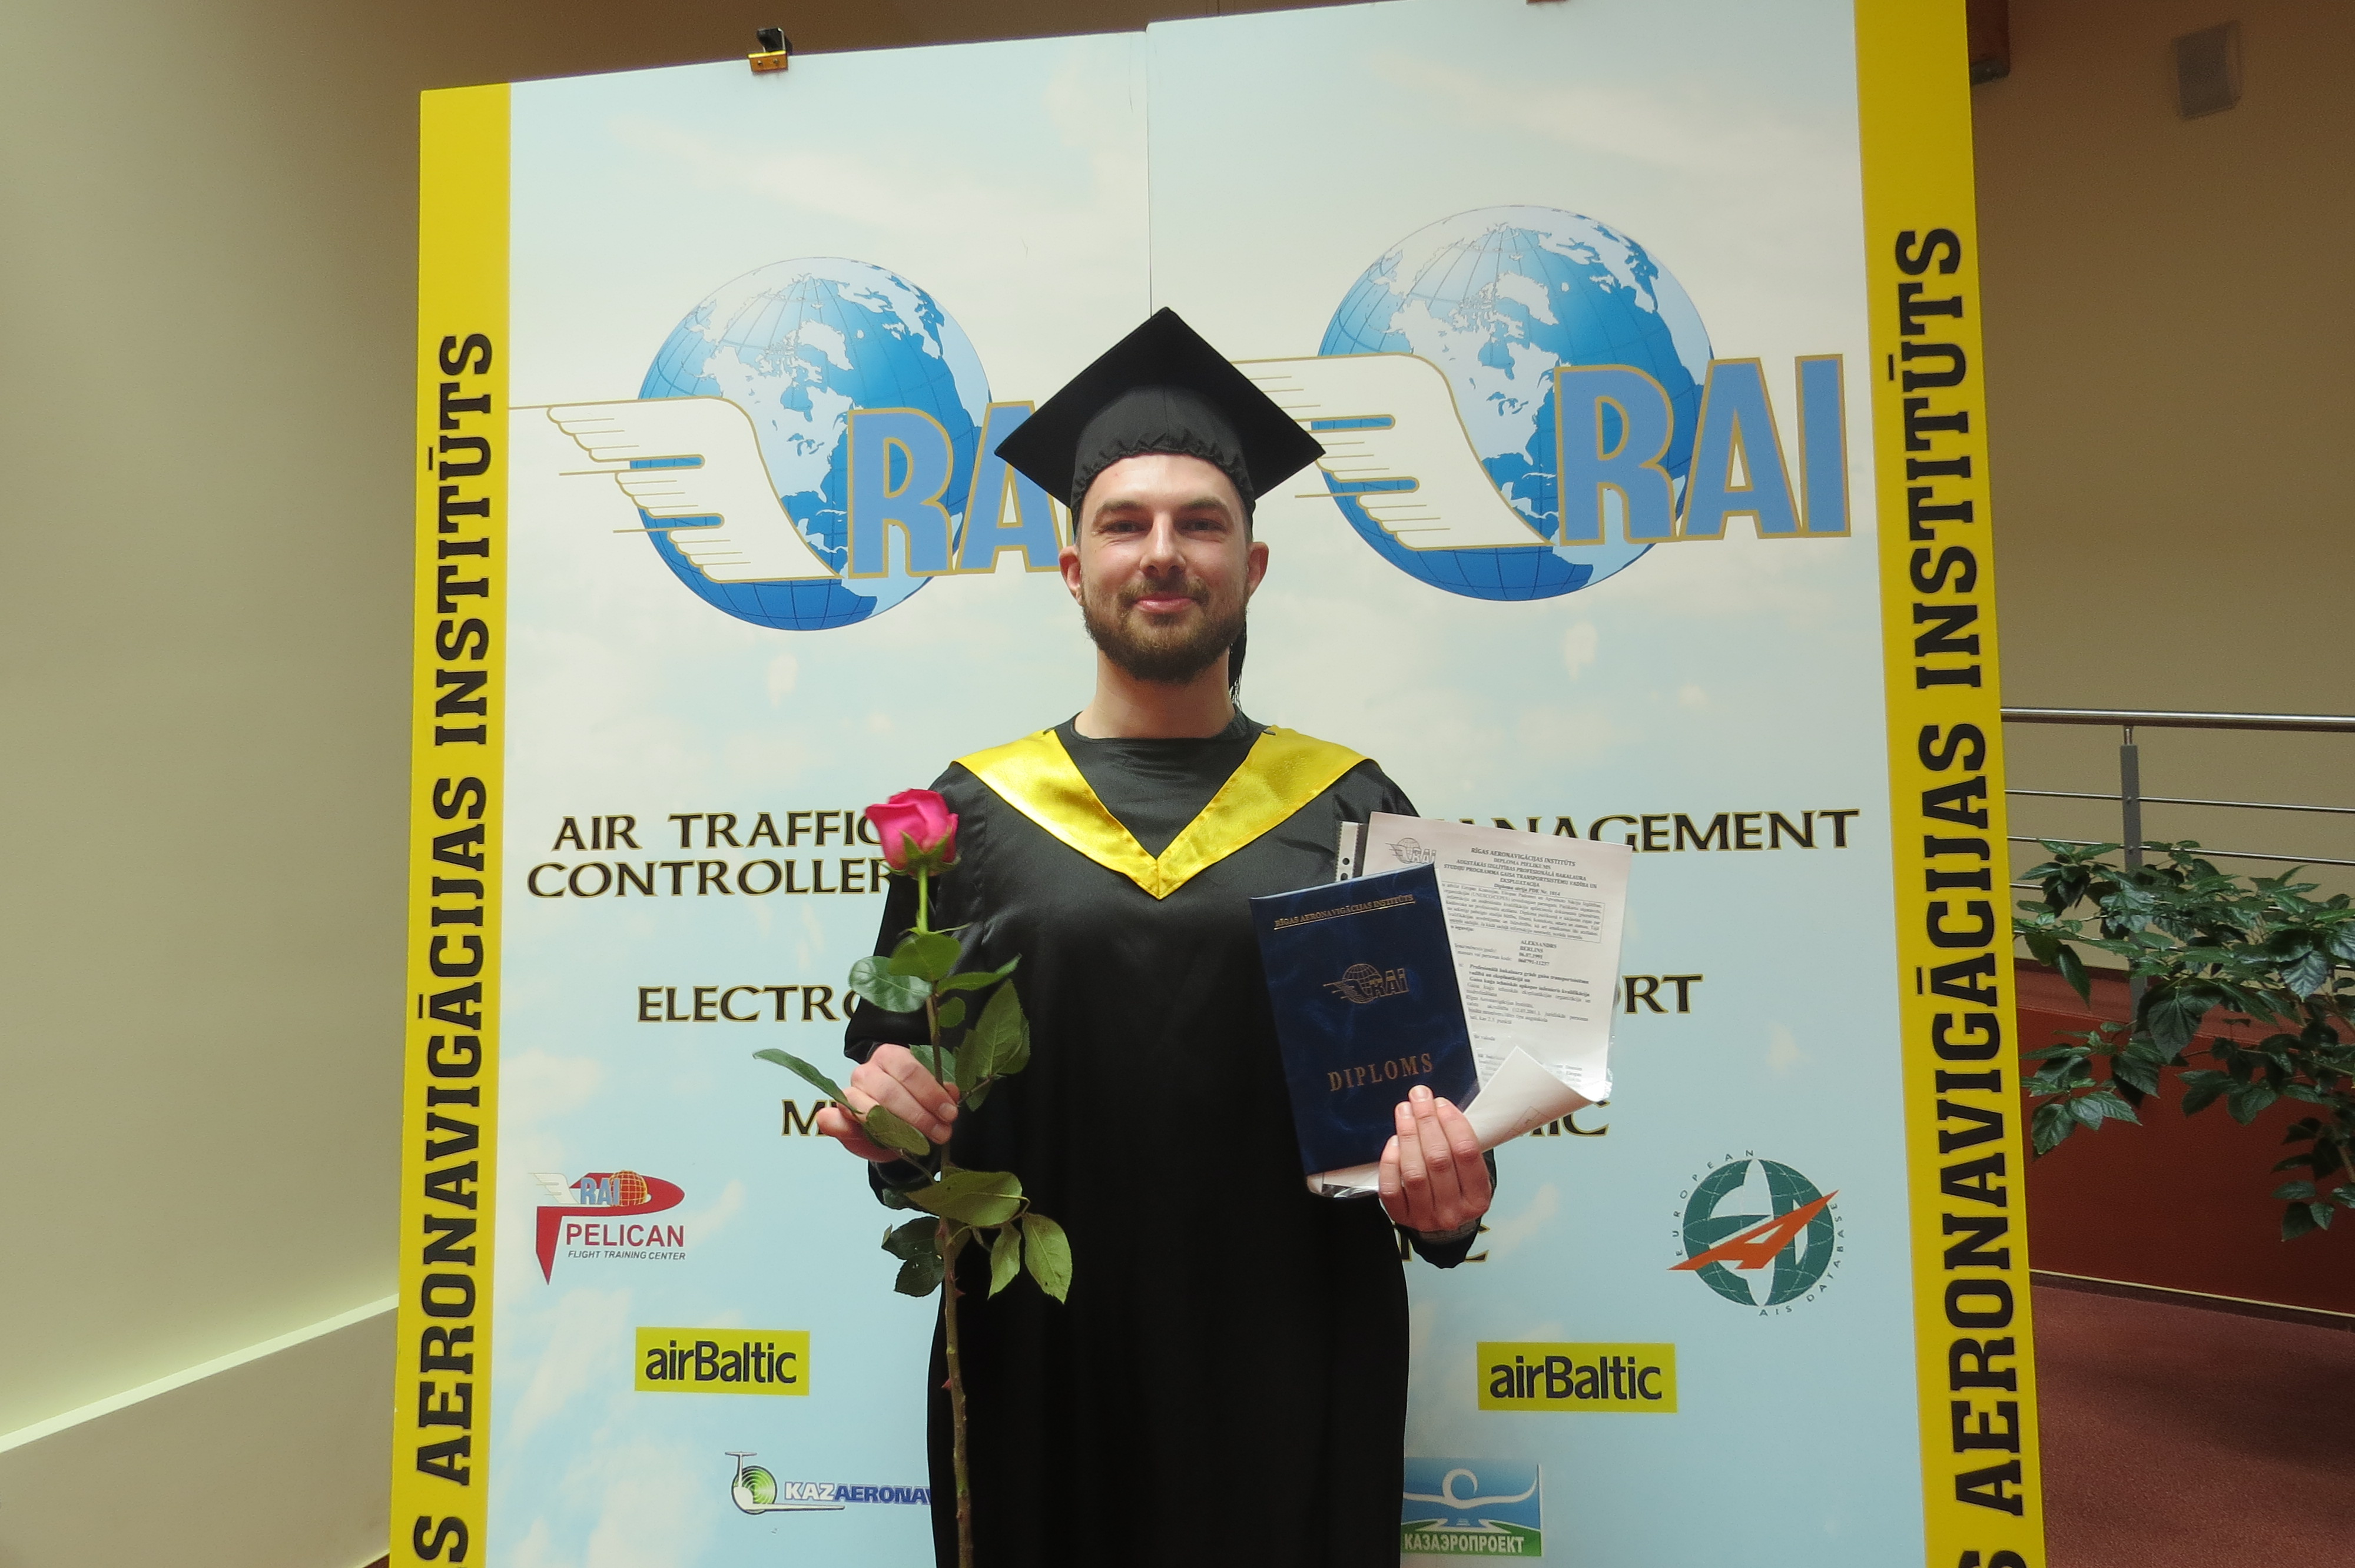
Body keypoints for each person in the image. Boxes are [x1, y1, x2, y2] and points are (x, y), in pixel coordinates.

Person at [816, 308, 1495, 1567]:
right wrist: (889, 1126)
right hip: (1039, 1367)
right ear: (1073, 568)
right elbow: (908, 1143)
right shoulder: (967, 818)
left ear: (1253, 565)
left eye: (1201, 523)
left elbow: (1419, 1122)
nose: (1163, 553)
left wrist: (1450, 1206)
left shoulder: (1351, 805)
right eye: (1124, 524)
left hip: (1294, 1367)